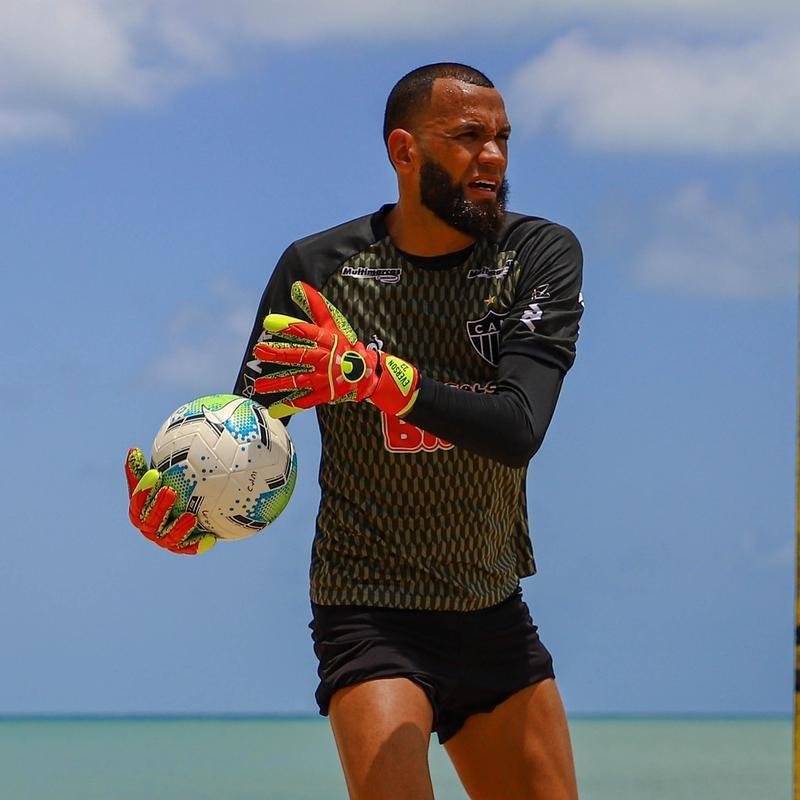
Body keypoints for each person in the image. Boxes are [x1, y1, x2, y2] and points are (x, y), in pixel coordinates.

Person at [126, 62, 583, 799]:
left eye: (500, 137)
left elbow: (518, 426)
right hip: (367, 609)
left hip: (492, 609)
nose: (492, 156)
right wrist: (192, 518)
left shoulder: (537, 257)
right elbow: (245, 441)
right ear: (405, 152)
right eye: (467, 136)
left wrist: (372, 377)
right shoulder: (317, 271)